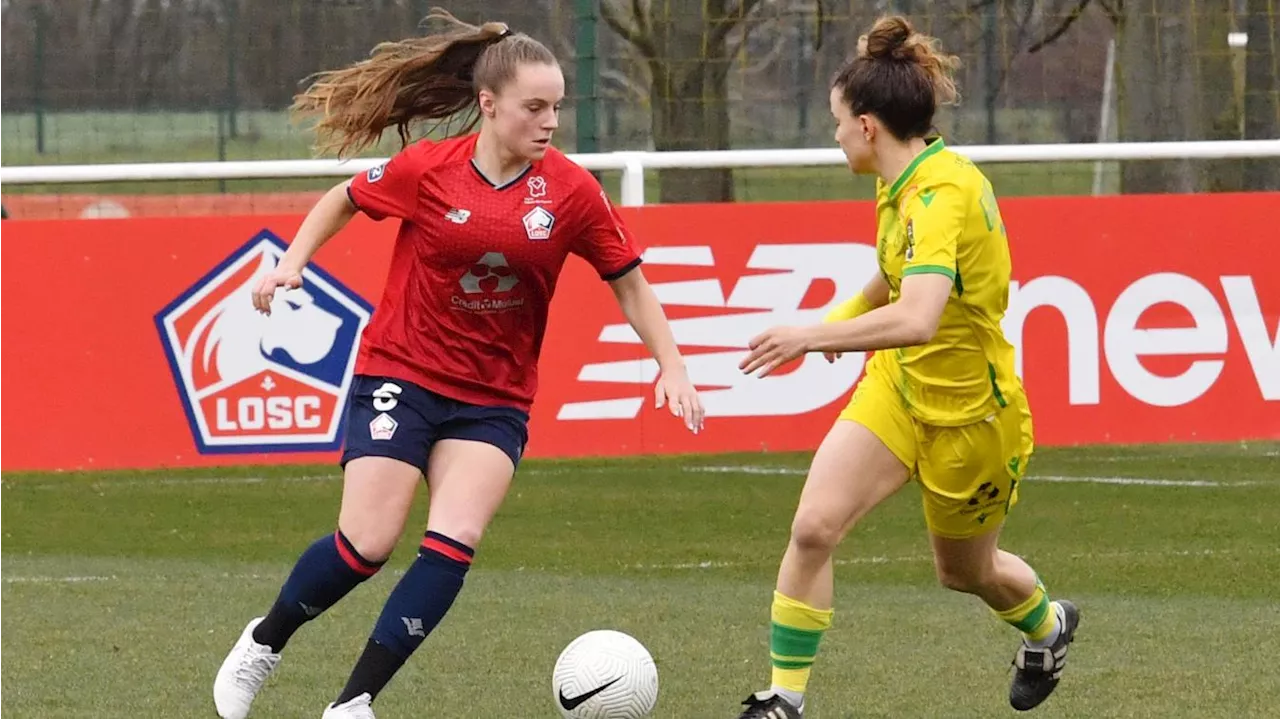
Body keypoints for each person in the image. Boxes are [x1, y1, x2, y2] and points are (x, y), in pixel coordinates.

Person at [212, 11, 704, 719]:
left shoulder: (572, 192)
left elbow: (629, 282)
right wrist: (291, 263)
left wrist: (673, 365)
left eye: (558, 106)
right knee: (367, 543)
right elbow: (343, 198)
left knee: (453, 539)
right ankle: (264, 640)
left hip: (494, 397)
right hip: (401, 374)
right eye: (535, 107)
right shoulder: (429, 171)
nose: (550, 122)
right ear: (489, 103)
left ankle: (352, 704)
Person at [732, 15, 1078, 718]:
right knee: (812, 528)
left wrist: (807, 337)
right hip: (900, 391)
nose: (832, 136)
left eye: (836, 123)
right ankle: (782, 701)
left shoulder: (941, 195)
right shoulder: (907, 180)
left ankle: (1049, 626)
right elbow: (893, 277)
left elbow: (919, 315)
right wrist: (836, 323)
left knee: (965, 572)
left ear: (866, 126)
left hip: (972, 420)